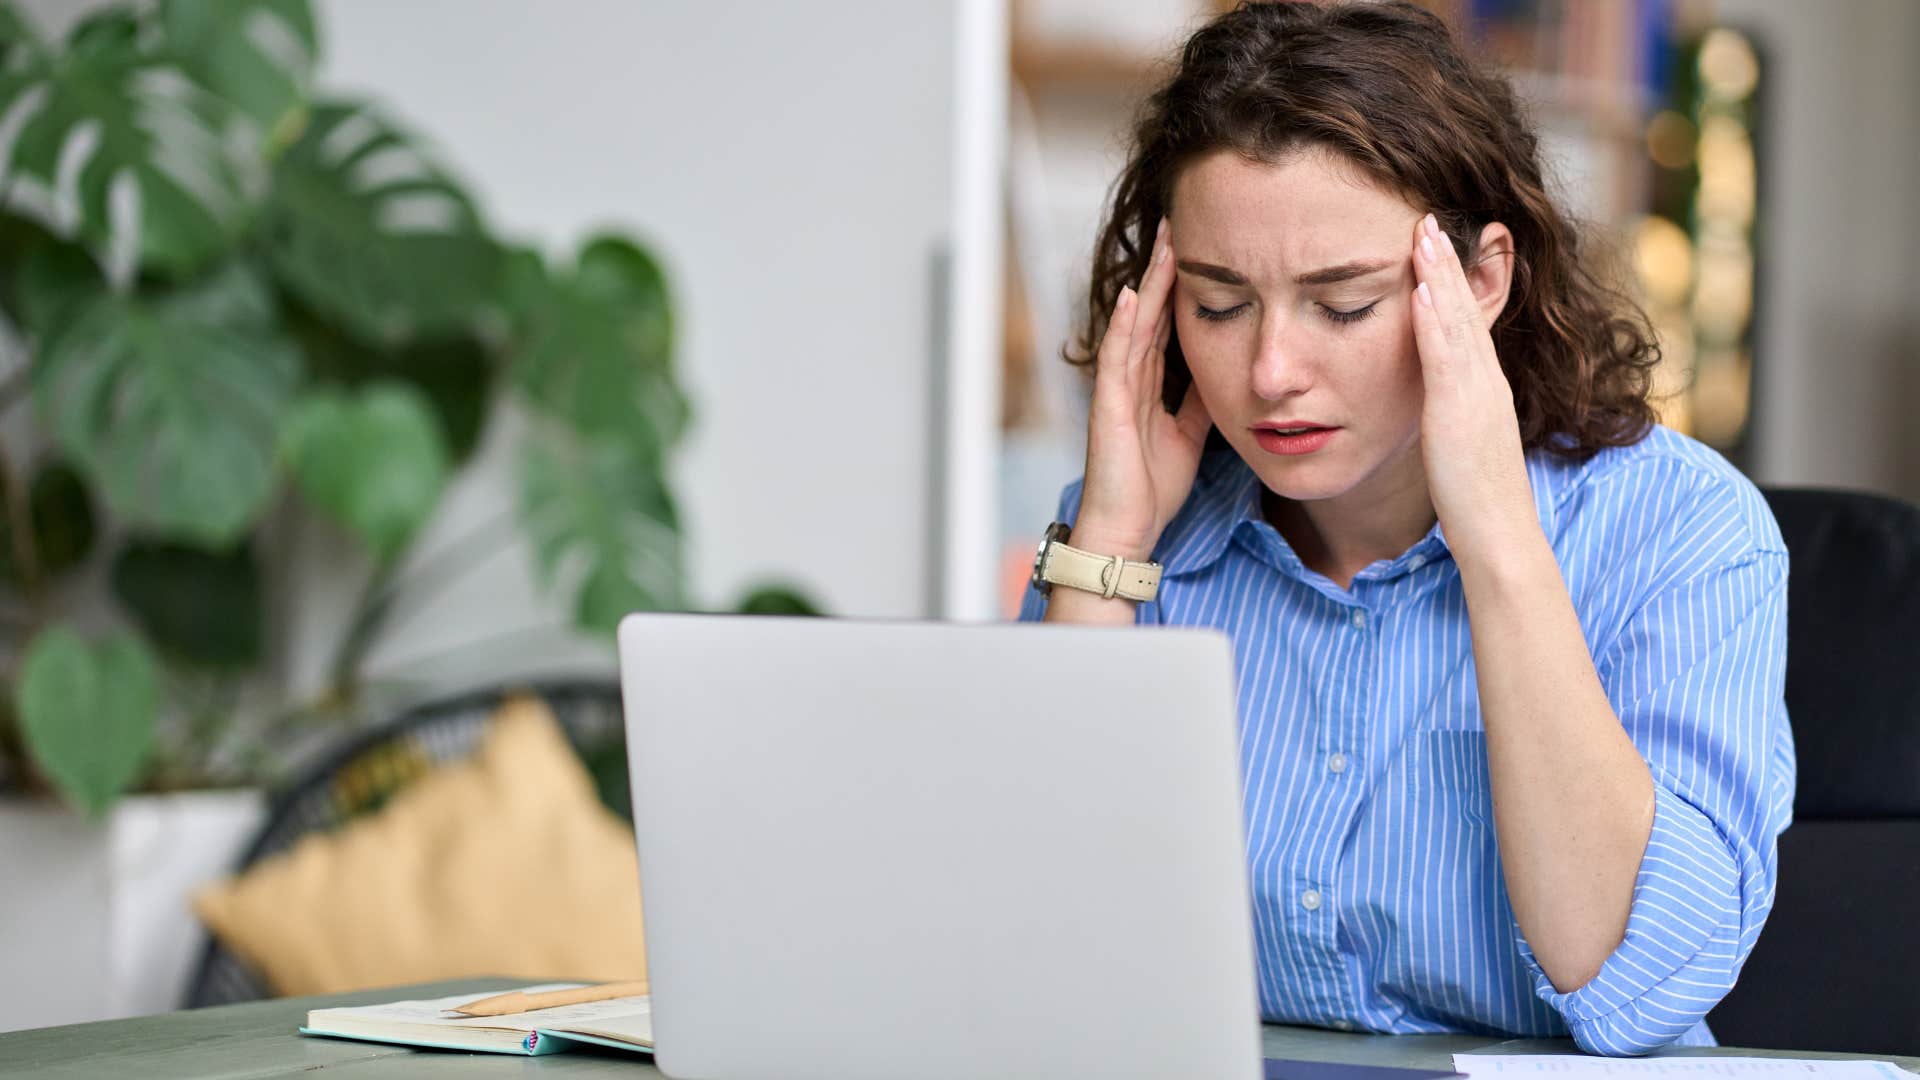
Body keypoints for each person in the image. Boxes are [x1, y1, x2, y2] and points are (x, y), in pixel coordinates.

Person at [1016, 0, 1793, 1058]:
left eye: (1341, 305)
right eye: (1218, 303)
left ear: (1477, 282)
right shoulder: (1124, 540)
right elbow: (1030, 947)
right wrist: (1109, 536)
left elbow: (1632, 988)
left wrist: (1498, 543)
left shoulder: (1684, 531)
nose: (1272, 372)